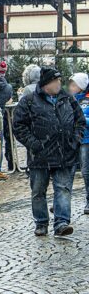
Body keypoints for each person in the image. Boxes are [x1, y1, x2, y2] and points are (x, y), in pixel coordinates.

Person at [14, 67, 85, 236]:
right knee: (38, 191)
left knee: (63, 189)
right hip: (40, 155)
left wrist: (74, 140)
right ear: (47, 83)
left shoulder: (67, 98)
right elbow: (18, 125)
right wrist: (34, 144)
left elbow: (80, 121)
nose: (60, 83)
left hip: (65, 153)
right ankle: (41, 222)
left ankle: (61, 222)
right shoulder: (30, 100)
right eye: (56, 81)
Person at [68, 73, 89, 214]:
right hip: (71, 138)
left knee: (86, 171)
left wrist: (80, 121)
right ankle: (62, 202)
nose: (71, 87)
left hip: (86, 139)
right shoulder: (70, 99)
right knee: (67, 171)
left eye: (74, 84)